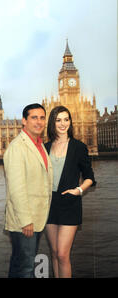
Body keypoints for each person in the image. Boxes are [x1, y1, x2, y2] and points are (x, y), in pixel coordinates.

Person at [44, 105, 96, 278]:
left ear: (70, 122)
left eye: (66, 119)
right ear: (52, 122)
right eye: (58, 120)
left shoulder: (78, 147)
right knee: (54, 252)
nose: (63, 123)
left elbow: (89, 177)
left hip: (69, 204)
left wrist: (79, 190)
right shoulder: (45, 148)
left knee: (62, 254)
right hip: (49, 205)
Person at [3, 103, 53, 278]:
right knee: (26, 269)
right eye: (34, 117)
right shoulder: (17, 147)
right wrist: (26, 221)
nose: (39, 122)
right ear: (24, 121)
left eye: (42, 118)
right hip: (25, 221)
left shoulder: (40, 145)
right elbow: (16, 189)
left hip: (37, 217)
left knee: (20, 264)